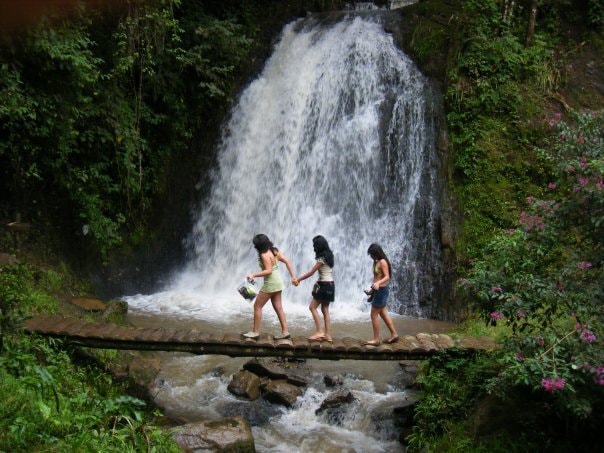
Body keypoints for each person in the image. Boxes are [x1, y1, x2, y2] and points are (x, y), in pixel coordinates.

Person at [242, 234, 296, 340]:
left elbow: (269, 270)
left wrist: (253, 275)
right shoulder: (274, 250)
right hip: (278, 282)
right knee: (278, 307)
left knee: (257, 307)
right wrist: (293, 277)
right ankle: (285, 332)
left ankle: (255, 332)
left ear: (258, 246)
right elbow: (287, 261)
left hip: (270, 283)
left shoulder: (263, 255)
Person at [294, 235, 335, 342]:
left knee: (312, 307)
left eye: (315, 245)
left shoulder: (321, 259)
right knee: (325, 309)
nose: (314, 247)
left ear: (319, 246)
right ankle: (328, 335)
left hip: (324, 285)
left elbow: (311, 272)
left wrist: (299, 279)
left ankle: (319, 332)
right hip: (331, 285)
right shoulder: (329, 255)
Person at [363, 243, 399, 346]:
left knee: (373, 315)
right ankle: (394, 334)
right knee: (383, 314)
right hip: (378, 291)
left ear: (376, 253)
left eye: (372, 254)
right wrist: (371, 291)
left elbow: (387, 277)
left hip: (381, 291)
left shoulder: (382, 262)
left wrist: (378, 284)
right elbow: (376, 279)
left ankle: (376, 339)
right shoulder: (376, 262)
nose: (371, 256)